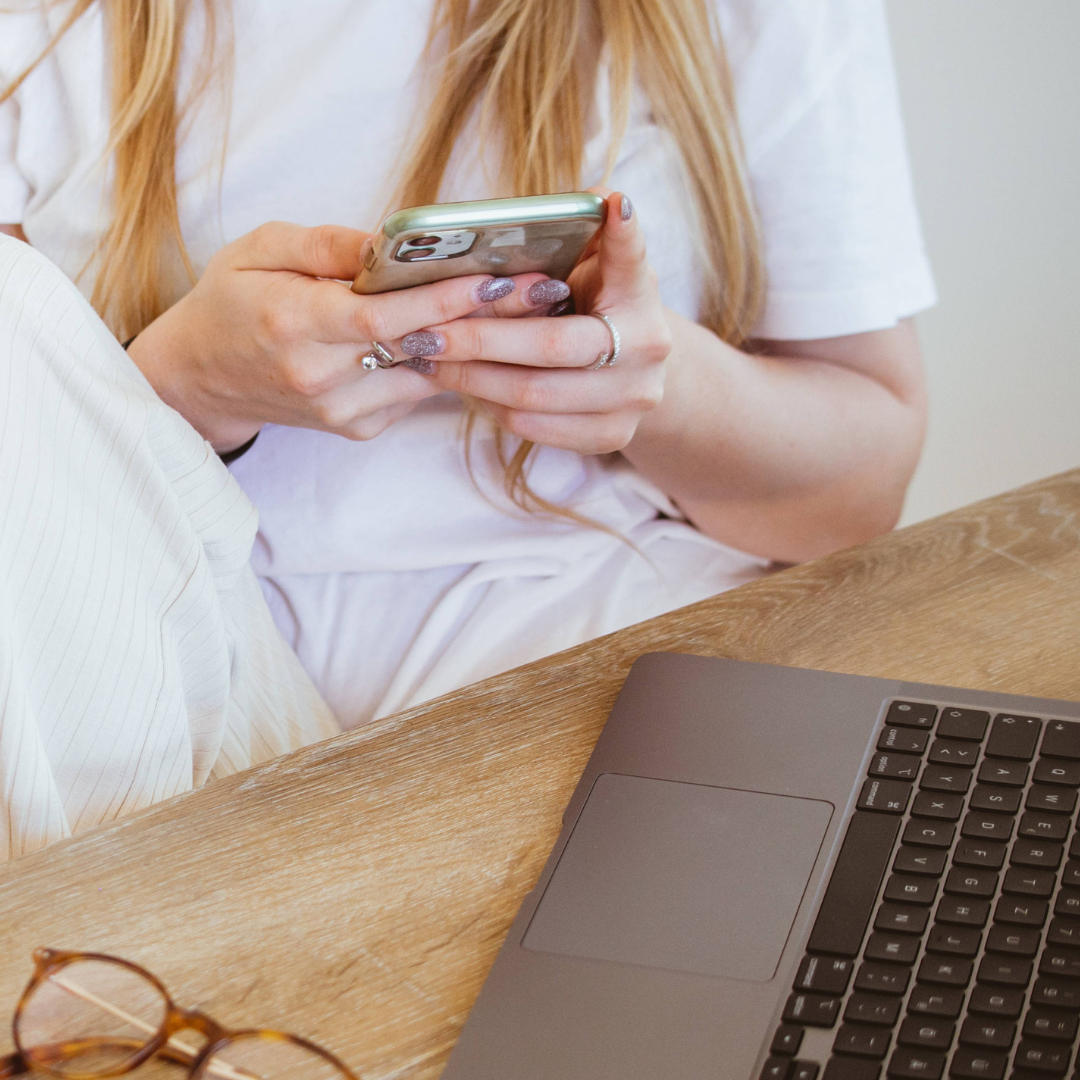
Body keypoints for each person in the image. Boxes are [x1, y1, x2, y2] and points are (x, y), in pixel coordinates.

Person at [0, 0, 933, 845]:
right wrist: (181, 390)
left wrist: (653, 377)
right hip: (167, 700)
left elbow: (856, 493)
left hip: (594, 662)